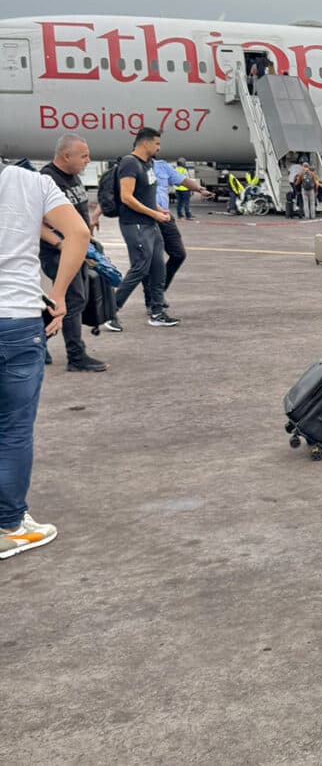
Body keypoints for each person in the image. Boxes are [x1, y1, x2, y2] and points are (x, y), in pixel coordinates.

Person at [0, 161, 90, 559]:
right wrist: (57, 294)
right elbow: (78, 232)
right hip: (16, 317)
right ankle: (9, 526)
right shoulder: (28, 181)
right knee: (14, 429)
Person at [37, 134, 108, 372]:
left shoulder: (73, 176)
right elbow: (36, 220)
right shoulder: (47, 179)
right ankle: (76, 357)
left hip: (77, 249)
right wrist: (60, 244)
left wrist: (88, 236)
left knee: (75, 299)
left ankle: (35, 341)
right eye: (84, 156)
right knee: (73, 299)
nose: (89, 160)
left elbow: (76, 211)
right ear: (66, 156)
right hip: (57, 252)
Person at [107, 127, 178, 329]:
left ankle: (157, 312)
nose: (159, 147)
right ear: (145, 143)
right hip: (135, 224)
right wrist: (154, 214)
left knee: (158, 268)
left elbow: (144, 196)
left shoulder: (147, 164)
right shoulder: (130, 163)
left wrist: (159, 211)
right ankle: (109, 312)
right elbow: (126, 197)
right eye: (156, 143)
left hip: (150, 224)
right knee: (140, 267)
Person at [150, 158, 213, 310]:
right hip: (146, 217)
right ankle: (153, 300)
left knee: (178, 254)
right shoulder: (134, 166)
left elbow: (182, 180)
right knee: (151, 260)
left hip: (165, 216)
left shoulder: (162, 166)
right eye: (155, 144)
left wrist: (199, 189)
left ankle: (158, 292)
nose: (158, 148)